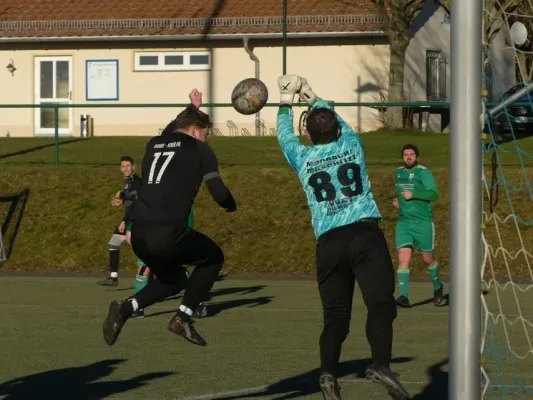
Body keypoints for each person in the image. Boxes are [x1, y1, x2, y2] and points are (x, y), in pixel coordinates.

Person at [275, 75, 411, 400]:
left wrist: (285, 100)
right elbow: (331, 116)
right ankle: (379, 364)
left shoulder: (303, 157)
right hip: (364, 233)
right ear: (337, 129)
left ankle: (328, 373)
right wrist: (311, 94)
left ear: (307, 134)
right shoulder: (351, 143)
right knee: (380, 304)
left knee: (335, 317)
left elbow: (283, 135)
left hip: (329, 242)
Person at [102, 89, 236, 347]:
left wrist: (193, 107)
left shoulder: (153, 144)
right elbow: (219, 194)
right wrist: (231, 205)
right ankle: (182, 318)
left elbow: (173, 132)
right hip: (169, 232)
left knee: (174, 280)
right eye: (206, 134)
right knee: (213, 258)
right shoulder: (200, 149)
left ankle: (126, 307)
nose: (206, 139)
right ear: (196, 130)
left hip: (139, 232)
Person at [124, 210, 208, 320]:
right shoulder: (149, 200)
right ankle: (137, 308)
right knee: (143, 269)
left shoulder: (179, 201)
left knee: (178, 273)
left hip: (171, 239)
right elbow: (138, 209)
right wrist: (130, 228)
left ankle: (197, 304)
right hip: (148, 237)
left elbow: (187, 219)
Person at [393, 144, 445, 308]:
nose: (408, 157)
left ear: (417, 156)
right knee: (403, 259)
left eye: (412, 154)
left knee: (427, 258)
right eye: (406, 154)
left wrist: (413, 194)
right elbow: (402, 193)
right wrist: (399, 204)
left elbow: (434, 194)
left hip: (422, 223)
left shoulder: (424, 172)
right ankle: (403, 296)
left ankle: (437, 286)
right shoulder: (399, 173)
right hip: (404, 223)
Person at [97, 156, 142, 287]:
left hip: (136, 220)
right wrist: (122, 197)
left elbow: (137, 198)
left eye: (128, 166)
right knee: (113, 243)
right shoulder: (128, 182)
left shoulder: (136, 181)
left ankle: (155, 275)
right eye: (123, 166)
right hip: (129, 218)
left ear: (133, 167)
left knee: (143, 250)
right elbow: (130, 199)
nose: (126, 169)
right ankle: (113, 277)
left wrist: (122, 198)